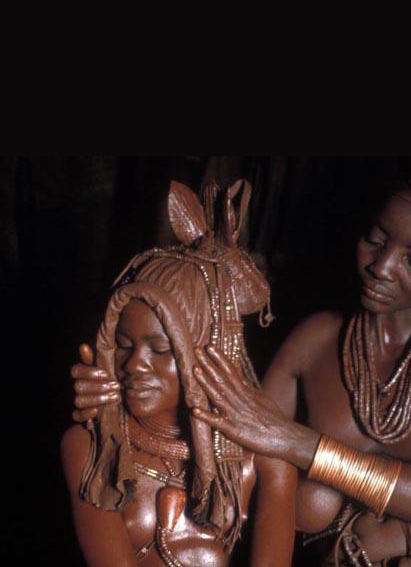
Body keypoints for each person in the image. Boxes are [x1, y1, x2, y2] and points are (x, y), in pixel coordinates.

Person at [73, 158, 411, 566]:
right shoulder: (314, 339)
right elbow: (229, 442)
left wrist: (300, 444)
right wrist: (112, 409)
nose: (382, 267)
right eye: (375, 240)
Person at [61, 180, 296, 567]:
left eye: (161, 349)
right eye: (123, 344)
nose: (134, 364)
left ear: (212, 353)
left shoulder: (265, 462)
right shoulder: (90, 447)